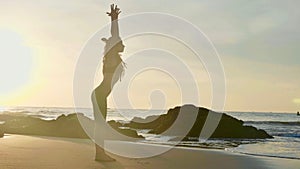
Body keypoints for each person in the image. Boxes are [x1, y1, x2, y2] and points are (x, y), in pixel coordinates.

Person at [91, 4, 125, 162]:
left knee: (101, 125)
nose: (124, 45)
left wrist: (114, 19)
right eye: (121, 42)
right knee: (101, 125)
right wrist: (114, 20)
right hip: (99, 95)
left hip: (100, 96)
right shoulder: (111, 57)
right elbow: (115, 35)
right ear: (115, 45)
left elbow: (115, 38)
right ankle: (100, 154)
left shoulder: (113, 58)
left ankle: (100, 153)